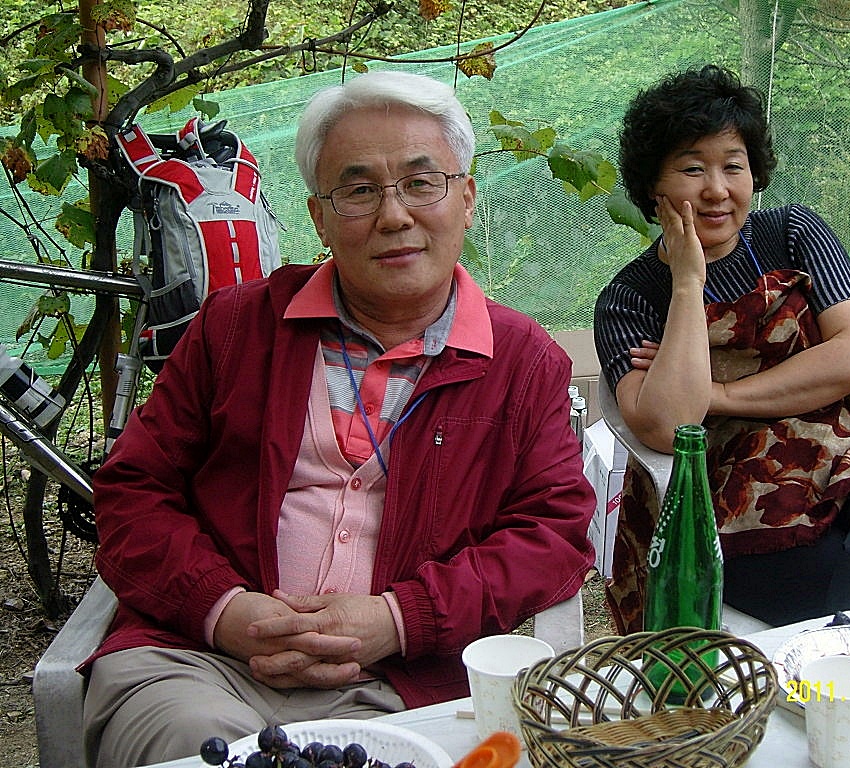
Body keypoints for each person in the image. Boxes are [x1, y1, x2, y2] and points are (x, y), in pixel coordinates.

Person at [83, 70, 595, 768]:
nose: (394, 216)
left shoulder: (522, 361)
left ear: (467, 198)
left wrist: (400, 619)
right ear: (319, 218)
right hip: (199, 661)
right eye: (358, 191)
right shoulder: (235, 327)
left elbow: (552, 535)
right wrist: (223, 609)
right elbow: (132, 490)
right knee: (195, 749)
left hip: (401, 683)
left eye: (422, 183)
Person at [593, 64, 850, 630]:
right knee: (844, 566)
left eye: (733, 166)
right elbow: (671, 427)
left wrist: (719, 393)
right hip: (734, 498)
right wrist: (688, 282)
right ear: (653, 187)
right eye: (692, 169)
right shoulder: (630, 299)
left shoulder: (793, 233)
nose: (717, 190)